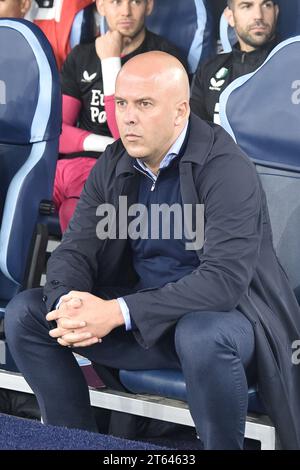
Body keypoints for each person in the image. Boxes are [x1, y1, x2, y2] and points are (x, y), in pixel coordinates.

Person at [5, 51, 300, 450]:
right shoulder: (114, 161)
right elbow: (75, 250)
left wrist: (115, 312)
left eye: (144, 104)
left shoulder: (227, 168)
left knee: (202, 334)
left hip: (223, 323)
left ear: (180, 112)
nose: (128, 117)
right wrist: (71, 303)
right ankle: (74, 440)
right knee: (29, 313)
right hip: (146, 322)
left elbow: (224, 283)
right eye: (122, 103)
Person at [53, 0, 188, 232]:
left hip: (122, 168)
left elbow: (126, 135)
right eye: (116, 2)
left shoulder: (164, 58)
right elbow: (58, 131)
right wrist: (108, 144)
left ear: (149, 6)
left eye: (135, 2)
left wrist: (110, 62)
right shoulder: (81, 56)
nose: (126, 11)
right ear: (101, 6)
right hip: (69, 166)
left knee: (75, 210)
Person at [190, 0, 279, 123]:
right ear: (230, 17)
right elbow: (196, 130)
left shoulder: (292, 65)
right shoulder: (209, 69)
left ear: (276, 12)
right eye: (247, 6)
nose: (258, 15)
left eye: (266, 5)